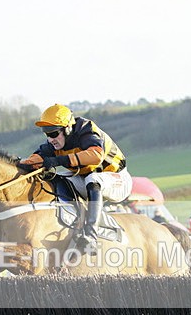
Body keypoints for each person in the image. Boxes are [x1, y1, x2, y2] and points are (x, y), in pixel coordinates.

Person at [19, 104, 131, 253]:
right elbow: (36, 158)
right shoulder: (55, 143)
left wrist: (59, 161)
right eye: (47, 134)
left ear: (67, 129)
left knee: (93, 180)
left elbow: (96, 155)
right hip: (85, 177)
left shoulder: (86, 130)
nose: (50, 139)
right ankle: (74, 225)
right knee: (55, 179)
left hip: (118, 179)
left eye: (53, 133)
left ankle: (91, 236)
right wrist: (20, 163)